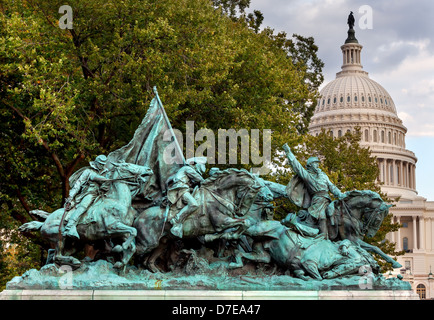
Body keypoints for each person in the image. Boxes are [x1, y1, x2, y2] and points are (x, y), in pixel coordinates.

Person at [282, 143, 345, 236]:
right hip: (318, 200)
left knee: (340, 214)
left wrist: (341, 195)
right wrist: (288, 152)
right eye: (315, 163)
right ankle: (323, 237)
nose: (317, 165)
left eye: (317, 163)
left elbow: (332, 187)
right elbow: (297, 166)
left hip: (328, 199)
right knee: (322, 217)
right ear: (310, 165)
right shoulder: (308, 176)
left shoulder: (323, 175)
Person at [63, 155, 111, 239]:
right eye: (100, 164)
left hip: (102, 194)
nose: (102, 166)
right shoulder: (88, 171)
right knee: (83, 206)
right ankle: (69, 227)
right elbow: (78, 183)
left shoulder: (106, 172)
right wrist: (71, 196)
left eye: (103, 164)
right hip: (90, 193)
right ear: (96, 163)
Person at [167, 157, 207, 238]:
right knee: (194, 204)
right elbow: (199, 179)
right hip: (180, 189)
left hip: (185, 189)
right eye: (200, 165)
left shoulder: (188, 171)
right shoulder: (187, 168)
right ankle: (176, 220)